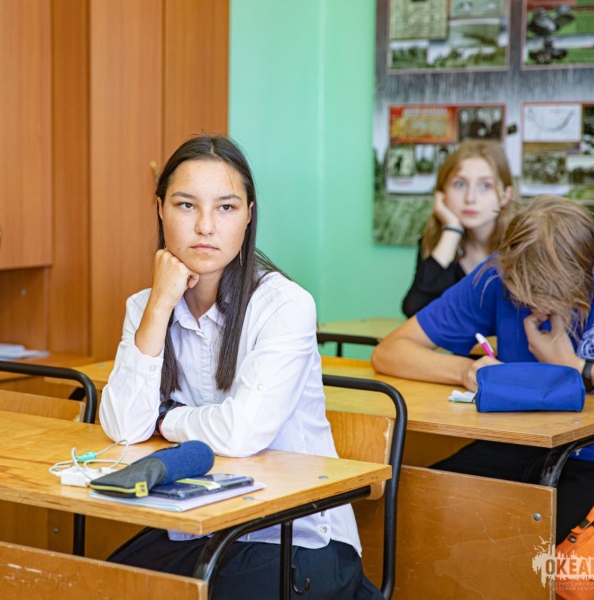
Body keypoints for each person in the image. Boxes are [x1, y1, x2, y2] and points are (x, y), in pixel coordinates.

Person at [99, 135, 382, 599]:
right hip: (200, 526)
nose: (205, 226)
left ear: (249, 215)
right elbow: (124, 428)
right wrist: (159, 306)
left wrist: (168, 420)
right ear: (160, 209)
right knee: (99, 584)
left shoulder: (284, 305)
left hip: (295, 534)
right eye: (186, 205)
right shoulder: (145, 307)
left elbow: (241, 433)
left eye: (226, 208)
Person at [375, 195, 594, 541]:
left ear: (592, 273)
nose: (535, 310)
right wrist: (467, 371)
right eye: (523, 298)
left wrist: (576, 367)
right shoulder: (497, 273)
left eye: (550, 300)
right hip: (518, 443)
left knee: (537, 541)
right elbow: (390, 351)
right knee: (411, 508)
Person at [401, 140, 516, 317]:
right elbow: (415, 310)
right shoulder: (440, 243)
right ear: (442, 193)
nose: (470, 198)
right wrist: (452, 231)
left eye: (485, 186)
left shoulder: (522, 246)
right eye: (460, 184)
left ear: (505, 196)